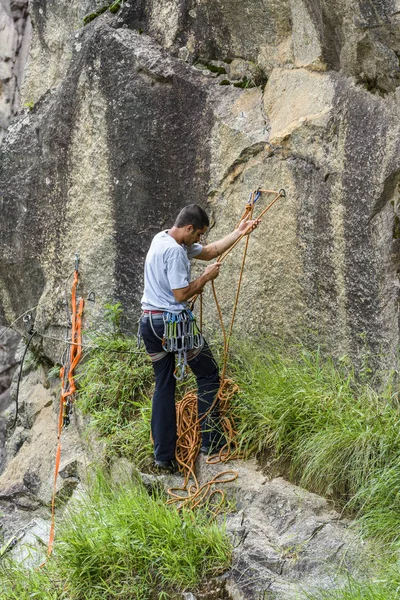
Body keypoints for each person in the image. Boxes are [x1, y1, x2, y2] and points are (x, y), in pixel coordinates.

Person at [140, 204, 259, 472]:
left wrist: (239, 232)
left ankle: (163, 457)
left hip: (149, 322)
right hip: (172, 324)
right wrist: (204, 278)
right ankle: (211, 442)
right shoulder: (175, 252)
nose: (200, 240)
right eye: (198, 234)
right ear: (189, 228)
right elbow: (181, 294)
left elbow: (209, 252)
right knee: (207, 374)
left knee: (163, 384)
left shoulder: (162, 239)